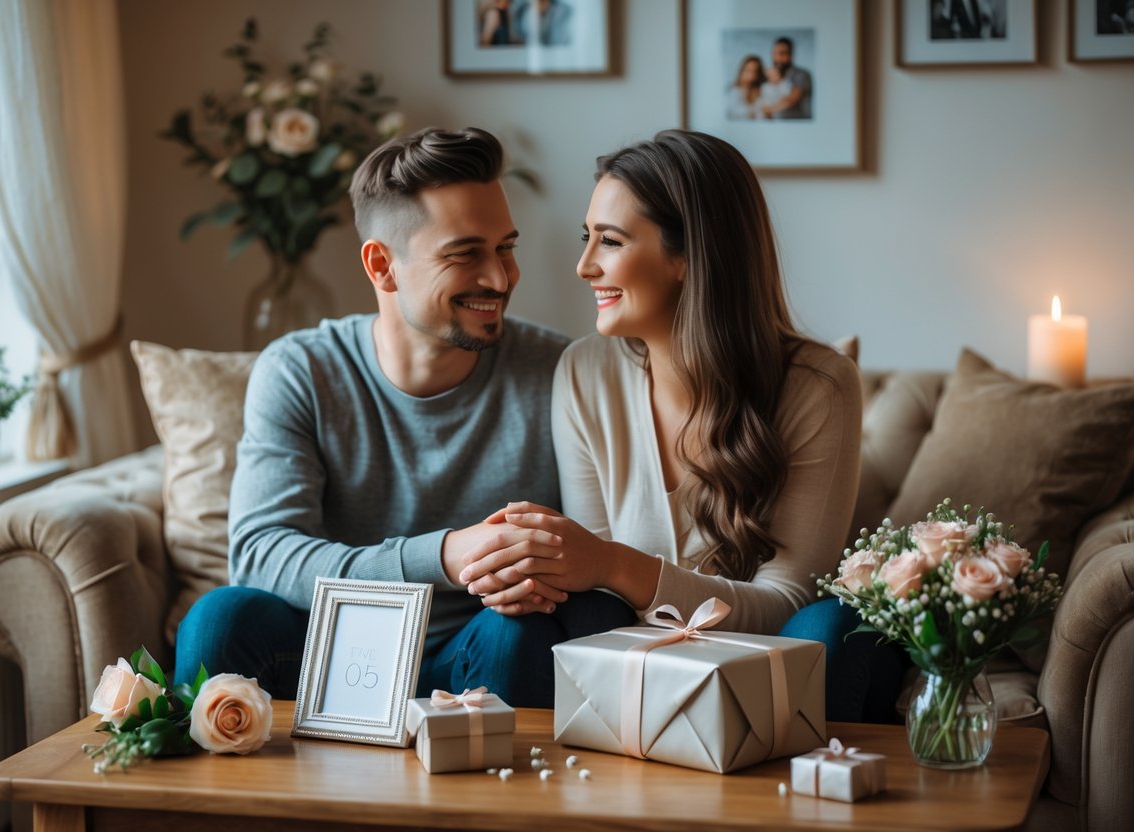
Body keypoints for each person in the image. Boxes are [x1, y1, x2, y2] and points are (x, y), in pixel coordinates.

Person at [173, 127, 635, 707]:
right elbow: (262, 552)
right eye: (466, 254)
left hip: (485, 651)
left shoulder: (560, 371)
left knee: (525, 630)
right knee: (219, 620)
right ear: (382, 266)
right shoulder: (301, 370)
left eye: (506, 247)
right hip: (332, 652)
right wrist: (444, 556)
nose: (499, 278)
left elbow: (600, 548)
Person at [460, 130, 905, 723]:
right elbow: (595, 597)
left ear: (689, 255)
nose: (584, 265)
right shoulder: (585, 370)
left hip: (760, 660)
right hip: (636, 653)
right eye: (586, 238)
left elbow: (789, 599)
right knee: (551, 617)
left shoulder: (820, 383)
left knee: (833, 625)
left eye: (610, 241)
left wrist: (616, 564)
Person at [760, 37, 812, 120]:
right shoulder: (768, 74)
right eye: (775, 54)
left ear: (791, 55)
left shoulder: (801, 74)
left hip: (797, 124)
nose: (778, 58)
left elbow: (791, 100)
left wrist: (766, 110)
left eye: (782, 53)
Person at [725, 54, 764, 120]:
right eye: (748, 70)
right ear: (742, 70)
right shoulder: (734, 90)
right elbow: (734, 112)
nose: (751, 76)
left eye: (755, 72)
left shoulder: (760, 90)